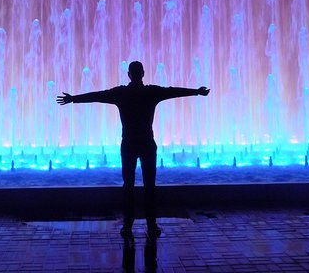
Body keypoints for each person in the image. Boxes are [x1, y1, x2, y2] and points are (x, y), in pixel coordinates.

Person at [56, 60, 210, 238]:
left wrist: (74, 98)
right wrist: (196, 92)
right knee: (149, 186)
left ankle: (128, 225)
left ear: (129, 74)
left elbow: (97, 96)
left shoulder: (121, 93)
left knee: (128, 186)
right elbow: (173, 91)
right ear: (143, 73)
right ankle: (151, 224)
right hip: (146, 144)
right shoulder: (151, 92)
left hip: (129, 144)